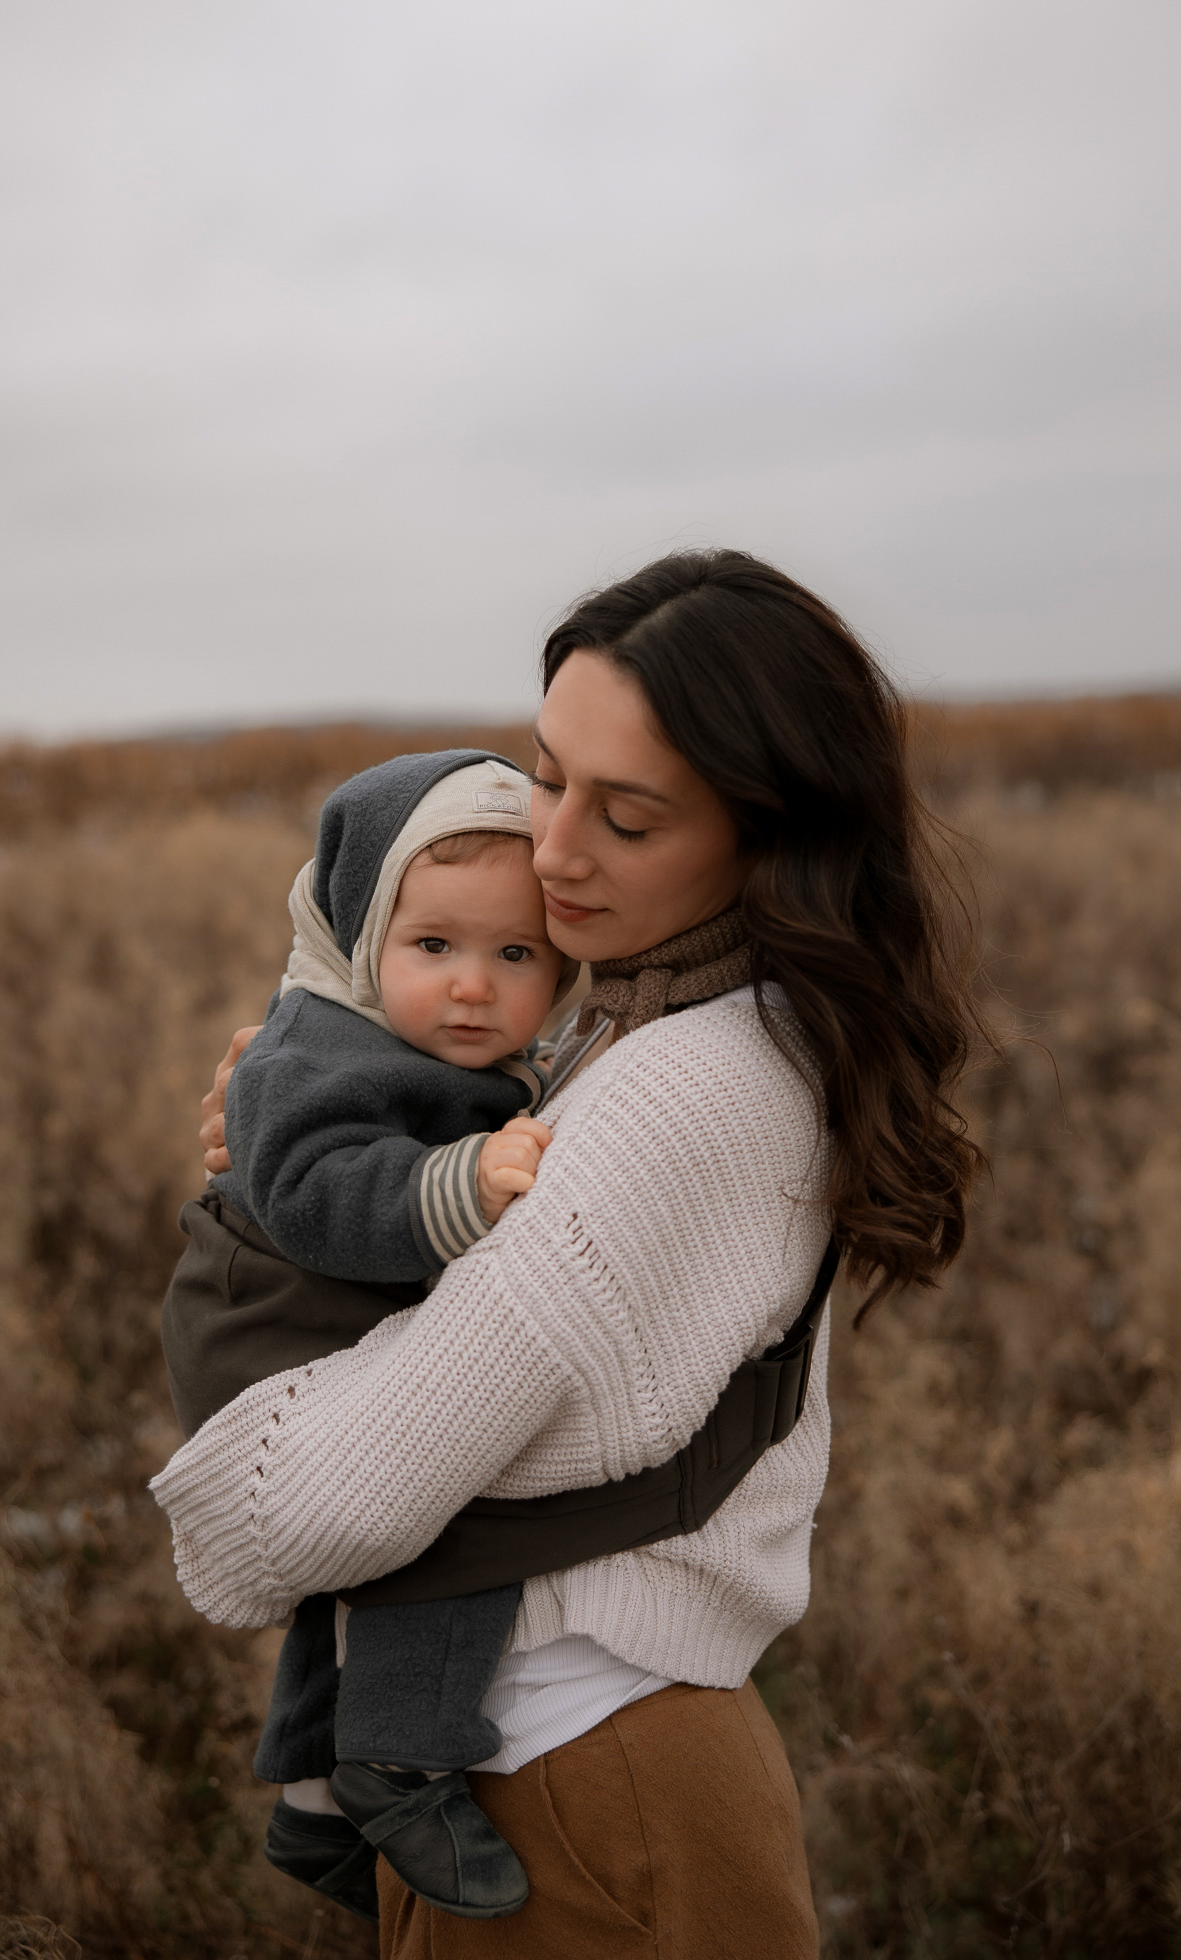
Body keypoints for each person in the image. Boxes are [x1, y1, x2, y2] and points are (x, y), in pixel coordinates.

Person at [154, 549, 985, 1958]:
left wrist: (232, 1423)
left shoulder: (681, 1087)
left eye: (628, 816)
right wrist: (325, 1095)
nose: (550, 852)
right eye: (547, 777)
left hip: (578, 1781)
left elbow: (296, 1520)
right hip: (554, 1759)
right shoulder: (653, 1027)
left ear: (763, 833)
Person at [164, 750, 580, 1922]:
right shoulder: (315, 1048)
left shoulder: (441, 1047)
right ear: (359, 936)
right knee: (444, 1516)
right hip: (269, 1330)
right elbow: (312, 1191)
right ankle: (400, 1753)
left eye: (517, 955)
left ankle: (312, 1800)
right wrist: (459, 1181)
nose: (471, 988)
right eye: (433, 947)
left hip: (312, 1319)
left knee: (344, 1572)